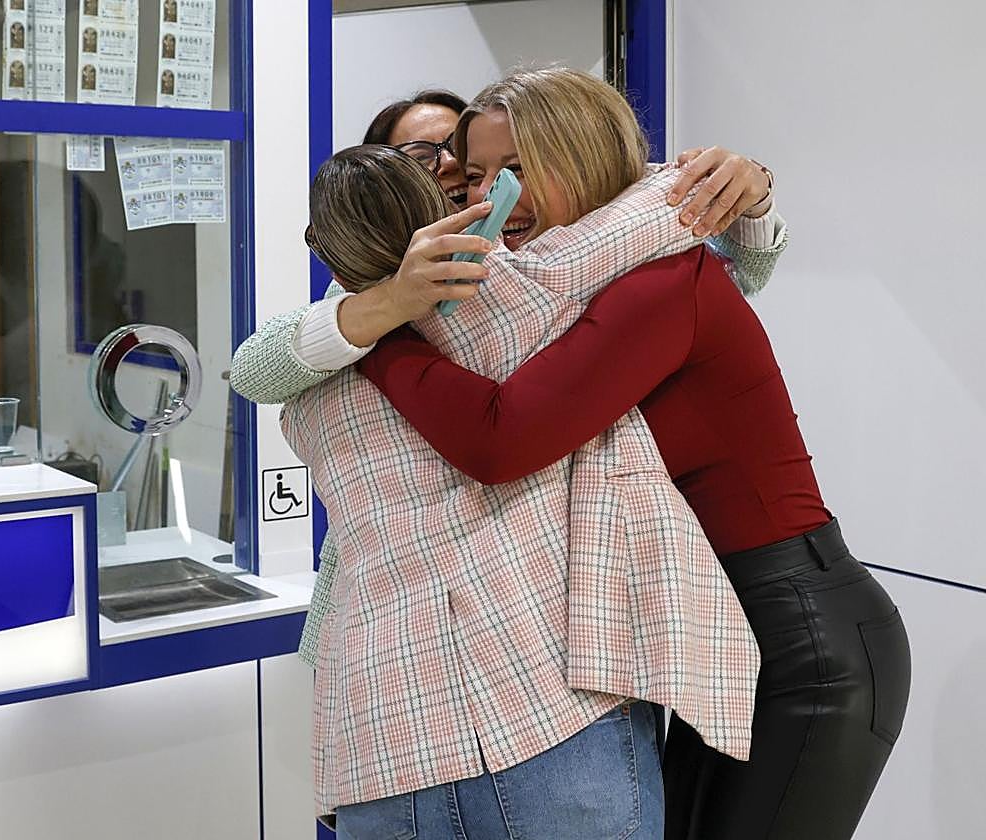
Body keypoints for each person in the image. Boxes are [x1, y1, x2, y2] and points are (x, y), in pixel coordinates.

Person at [320, 82, 913, 840]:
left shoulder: (666, 280)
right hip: (721, 631)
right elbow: (270, 360)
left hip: (801, 638)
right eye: (475, 175)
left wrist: (378, 326)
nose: (500, 192)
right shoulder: (550, 296)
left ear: (588, 158)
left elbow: (502, 442)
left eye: (524, 165)